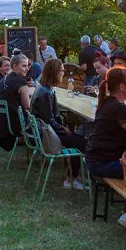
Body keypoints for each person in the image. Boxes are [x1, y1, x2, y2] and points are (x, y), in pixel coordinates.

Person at [85, 67, 126, 237]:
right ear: (123, 86)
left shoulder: (109, 103)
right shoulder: (117, 107)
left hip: (96, 159)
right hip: (104, 163)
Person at [32, 59, 88, 190]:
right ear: (55, 72)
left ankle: (72, 174)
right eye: (62, 70)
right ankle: (70, 179)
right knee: (80, 142)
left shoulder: (44, 89)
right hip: (47, 134)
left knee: (78, 138)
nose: (64, 73)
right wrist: (64, 129)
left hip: (46, 131)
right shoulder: (45, 92)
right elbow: (48, 120)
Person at [0, 54, 33, 151]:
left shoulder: (4, 79)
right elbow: (27, 107)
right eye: (24, 66)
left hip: (3, 126)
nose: (27, 68)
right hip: (16, 127)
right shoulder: (21, 82)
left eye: (28, 65)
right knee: (45, 119)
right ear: (15, 67)